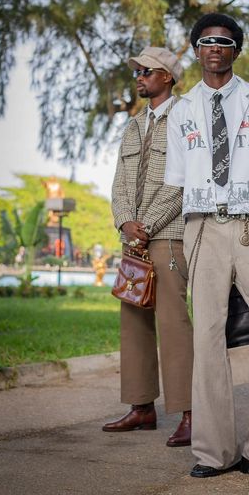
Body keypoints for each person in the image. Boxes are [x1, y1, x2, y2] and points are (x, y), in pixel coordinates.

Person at [165, 13, 249, 481]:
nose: (215, 48)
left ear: (236, 51)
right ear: (197, 50)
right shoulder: (181, 111)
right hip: (202, 228)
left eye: (224, 42)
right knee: (207, 336)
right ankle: (214, 452)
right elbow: (179, 183)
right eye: (206, 41)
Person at [103, 47, 194, 448]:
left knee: (174, 324)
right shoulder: (133, 125)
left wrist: (149, 225)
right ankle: (142, 407)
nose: (138, 77)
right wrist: (125, 221)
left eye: (146, 71)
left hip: (169, 235)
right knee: (133, 319)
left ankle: (191, 412)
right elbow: (119, 179)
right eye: (137, 71)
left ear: (168, 77)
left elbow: (184, 181)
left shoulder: (186, 119)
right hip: (133, 237)